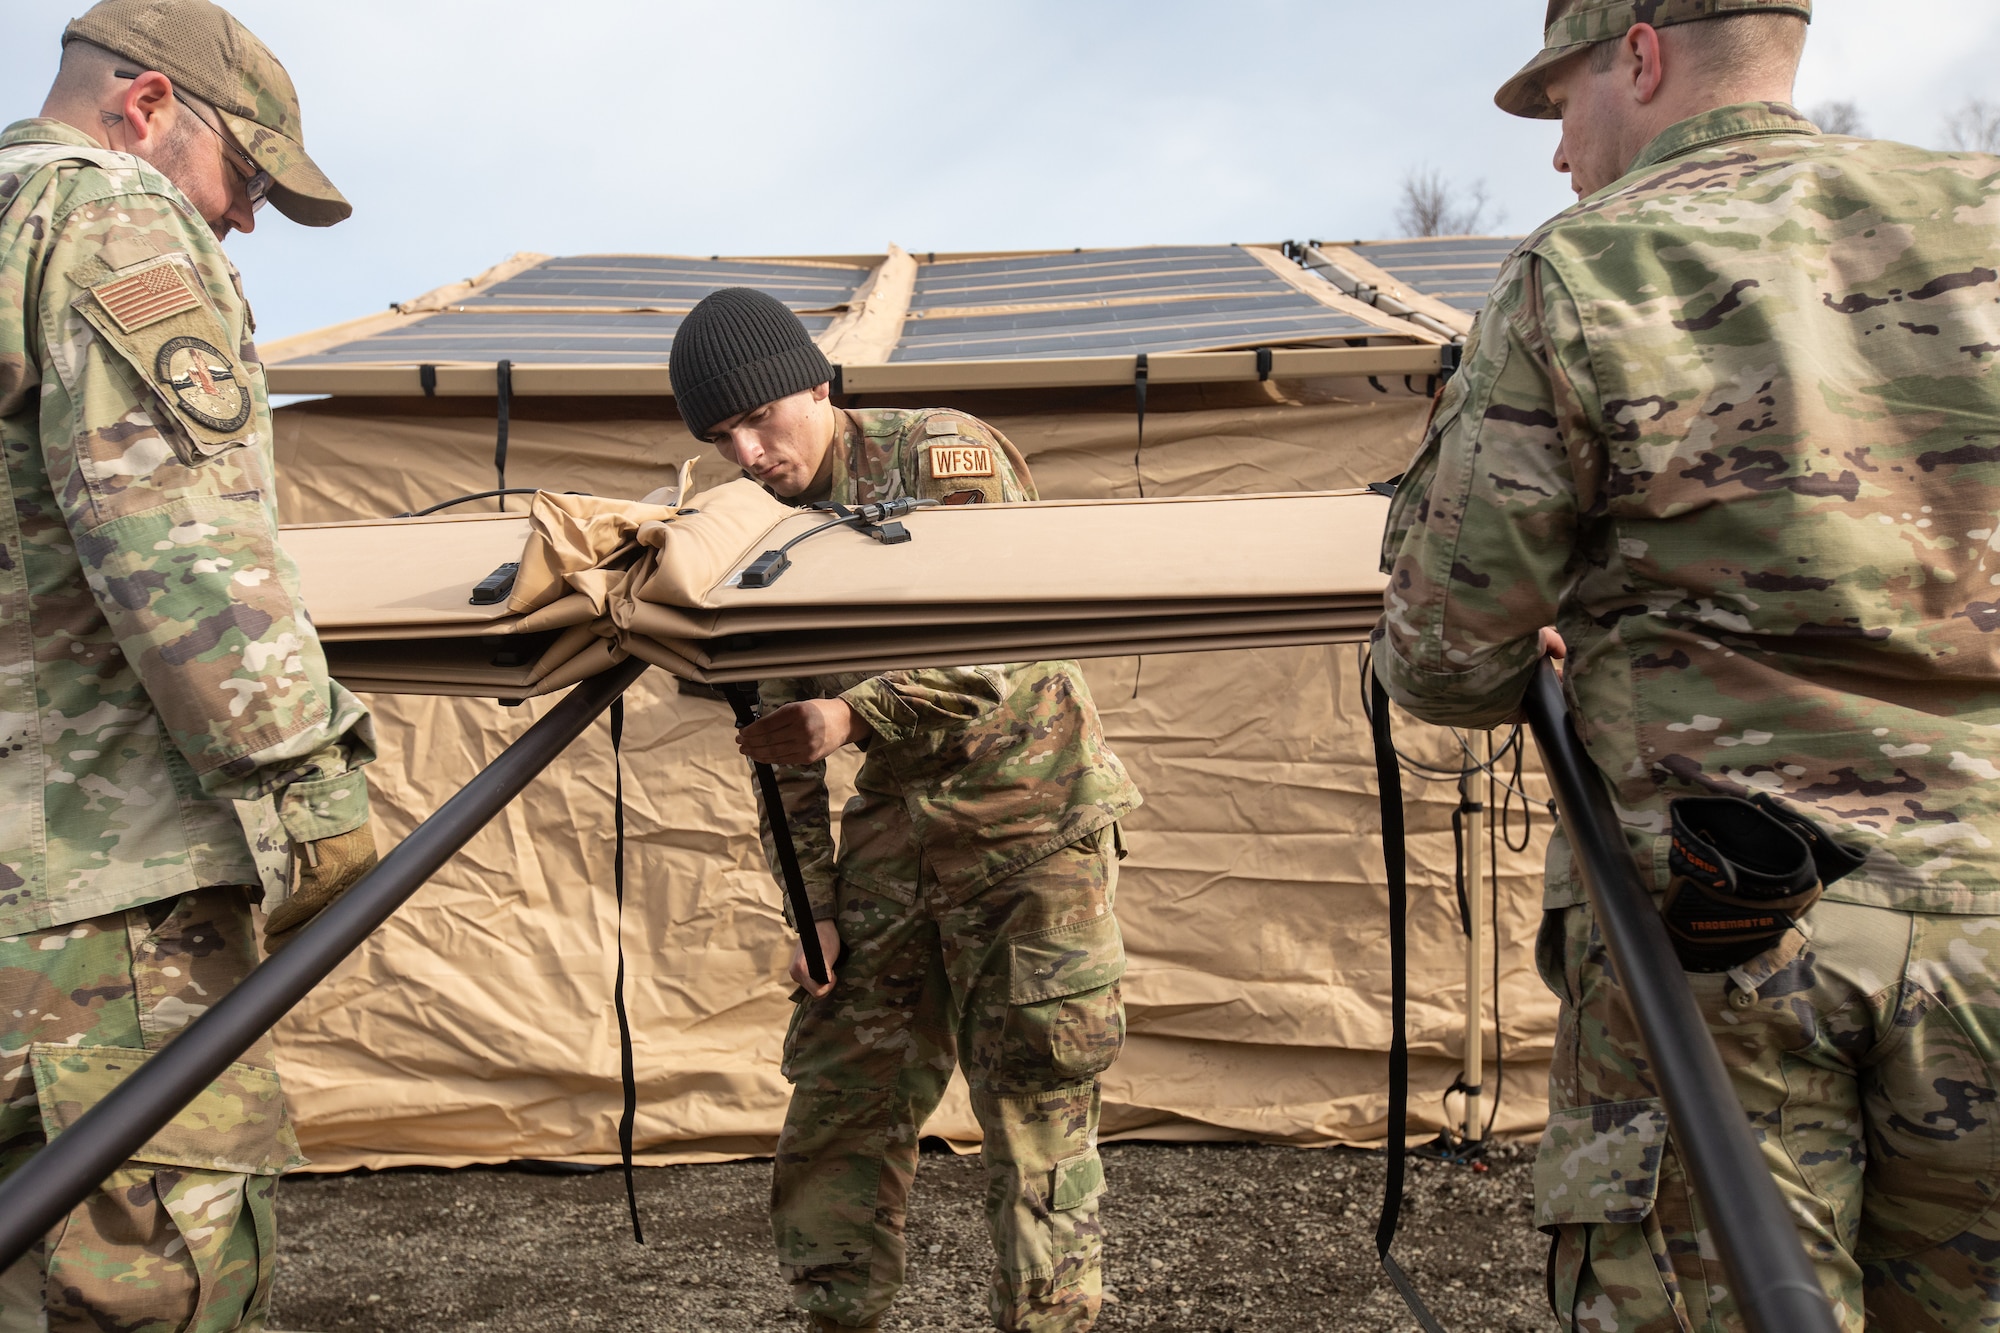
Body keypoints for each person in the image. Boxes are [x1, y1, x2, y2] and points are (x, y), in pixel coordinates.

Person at [1375, 1, 2000, 1329]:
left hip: (1727, 933)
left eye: (1561, 106)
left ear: (1641, 56)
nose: (1558, 155)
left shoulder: (1594, 268)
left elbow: (1441, 659)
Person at [0, 2, 378, 1327]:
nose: (247, 220)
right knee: (145, 1282)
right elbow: (178, 550)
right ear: (148, 108)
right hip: (98, 897)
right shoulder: (107, 215)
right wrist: (314, 801)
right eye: (248, 178)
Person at [668, 287, 1142, 1333]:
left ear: (818, 386)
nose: (748, 451)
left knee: (1032, 1116)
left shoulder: (938, 457)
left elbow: (994, 640)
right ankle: (836, 1319)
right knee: (840, 1098)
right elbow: (776, 746)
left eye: (760, 420)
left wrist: (852, 712)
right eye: (721, 436)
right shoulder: (746, 525)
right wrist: (813, 904)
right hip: (896, 840)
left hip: (1034, 834)